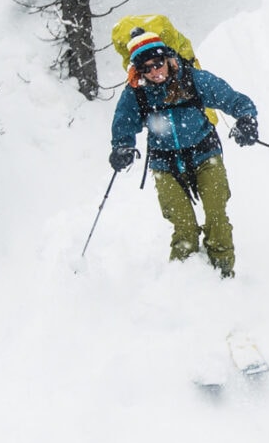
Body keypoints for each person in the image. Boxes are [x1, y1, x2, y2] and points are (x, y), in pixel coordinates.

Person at [110, 29, 259, 276]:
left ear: (167, 58)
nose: (154, 72)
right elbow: (123, 123)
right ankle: (184, 282)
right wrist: (122, 147)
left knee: (216, 216)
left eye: (157, 63)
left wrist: (246, 119)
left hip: (205, 154)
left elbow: (231, 98)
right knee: (185, 227)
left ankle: (223, 273)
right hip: (164, 164)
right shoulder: (136, 92)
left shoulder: (191, 79)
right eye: (146, 68)